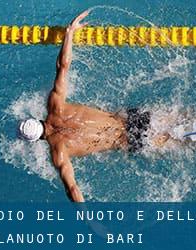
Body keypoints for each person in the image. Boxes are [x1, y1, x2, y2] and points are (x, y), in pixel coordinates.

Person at [18, 11, 170, 202]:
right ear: (36, 119)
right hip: (132, 118)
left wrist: (90, 221)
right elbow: (63, 66)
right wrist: (69, 33)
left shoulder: (59, 152)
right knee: (186, 118)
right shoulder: (55, 105)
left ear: (36, 140)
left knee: (187, 141)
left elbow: (72, 189)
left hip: (131, 140)